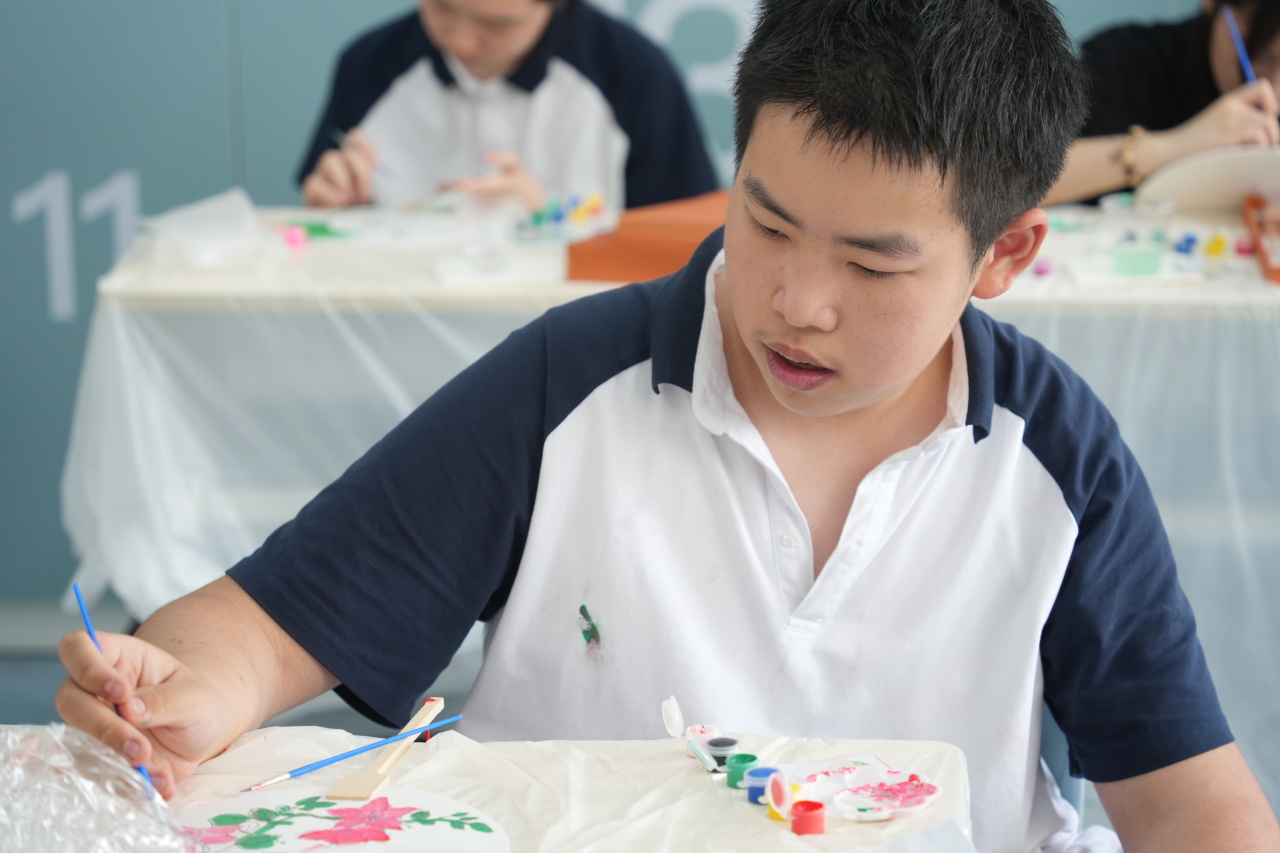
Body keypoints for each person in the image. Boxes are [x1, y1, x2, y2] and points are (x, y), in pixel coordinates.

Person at [58, 0, 1280, 850]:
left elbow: (1189, 801)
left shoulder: (1052, 456)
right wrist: (186, 686)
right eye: (766, 223)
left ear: (1003, 254)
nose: (796, 303)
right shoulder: (570, 383)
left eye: (871, 264)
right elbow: (264, 624)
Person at [296, 0, 718, 212]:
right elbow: (326, 214)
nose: (461, 43)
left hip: (580, 337)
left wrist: (549, 225)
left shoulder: (633, 72)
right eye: (442, 7)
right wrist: (335, 213)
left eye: (497, 26)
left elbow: (686, 244)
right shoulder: (370, 64)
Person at [1044, 0, 1280, 206]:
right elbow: (1027, 180)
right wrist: (1176, 145)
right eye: (1263, 56)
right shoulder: (1124, 62)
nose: (1275, 91)